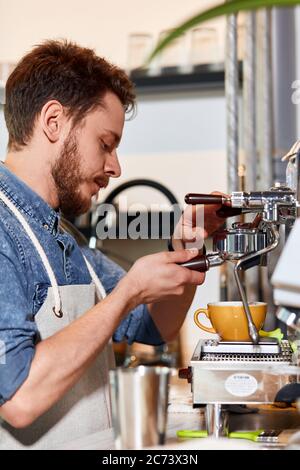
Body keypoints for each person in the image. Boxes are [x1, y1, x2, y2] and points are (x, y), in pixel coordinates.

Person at [0, 40, 223, 449]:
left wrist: (189, 251)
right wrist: (126, 295)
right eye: (105, 143)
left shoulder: (63, 236)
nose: (115, 167)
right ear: (54, 121)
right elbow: (19, 396)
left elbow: (153, 326)